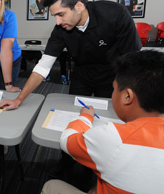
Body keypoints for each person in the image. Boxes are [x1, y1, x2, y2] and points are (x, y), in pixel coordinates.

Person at [0, 0, 141, 109]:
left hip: (112, 74)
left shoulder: (116, 14)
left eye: (61, 14)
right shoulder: (60, 29)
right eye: (54, 16)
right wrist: (19, 100)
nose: (57, 22)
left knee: (108, 114)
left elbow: (132, 60)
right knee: (74, 112)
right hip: (81, 73)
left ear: (79, 6)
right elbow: (43, 66)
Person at [42, 50, 164, 194]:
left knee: (51, 186)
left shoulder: (114, 137)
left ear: (127, 96)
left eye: (114, 89)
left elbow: (67, 140)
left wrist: (85, 117)